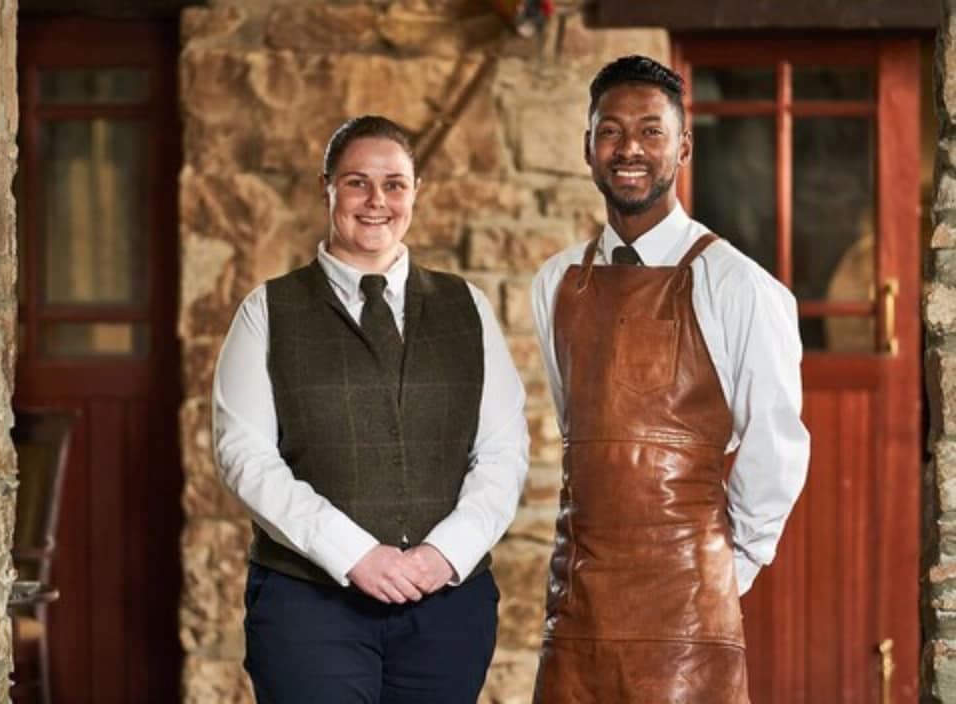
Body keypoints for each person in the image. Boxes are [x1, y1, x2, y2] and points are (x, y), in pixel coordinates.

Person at [212, 115, 529, 704]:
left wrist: (445, 554)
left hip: (446, 608)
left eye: (394, 184)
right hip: (308, 606)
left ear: (415, 192)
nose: (377, 200)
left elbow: (503, 452)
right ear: (327, 188)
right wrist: (353, 554)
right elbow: (244, 457)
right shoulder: (267, 311)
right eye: (357, 182)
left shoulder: (468, 307)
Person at [530, 55, 810, 702]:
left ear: (683, 147)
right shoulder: (556, 283)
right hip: (576, 613)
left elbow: (776, 451)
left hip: (690, 614)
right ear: (587, 147)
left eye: (651, 131)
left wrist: (721, 575)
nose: (629, 148)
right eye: (610, 131)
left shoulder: (739, 286)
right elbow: (583, 434)